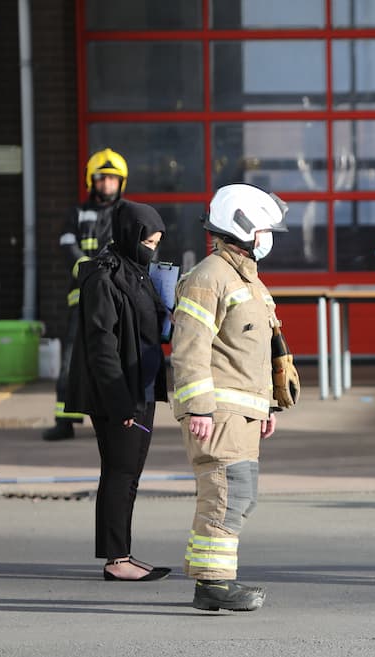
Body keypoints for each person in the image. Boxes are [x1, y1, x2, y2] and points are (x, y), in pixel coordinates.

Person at [170, 183, 299, 612]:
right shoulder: (209, 278)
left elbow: (256, 351)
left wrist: (268, 405)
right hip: (219, 413)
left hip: (241, 412)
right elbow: (190, 348)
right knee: (226, 493)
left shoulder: (248, 280)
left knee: (236, 494)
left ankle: (210, 579)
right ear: (242, 227)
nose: (269, 239)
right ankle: (213, 584)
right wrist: (198, 408)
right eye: (266, 230)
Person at [64, 199, 171, 582]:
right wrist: (118, 399)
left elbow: (149, 325)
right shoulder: (103, 277)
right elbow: (101, 344)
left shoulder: (137, 271)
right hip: (119, 394)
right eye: (148, 241)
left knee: (129, 473)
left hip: (139, 388)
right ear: (130, 236)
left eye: (157, 242)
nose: (152, 248)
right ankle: (116, 559)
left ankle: (122, 553)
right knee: (119, 472)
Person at [43, 148, 129, 441]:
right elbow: (68, 246)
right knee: (71, 360)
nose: (107, 184)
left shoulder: (125, 213)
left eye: (113, 179)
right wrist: (91, 273)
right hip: (81, 299)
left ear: (122, 182)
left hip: (116, 298)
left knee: (114, 357)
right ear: (91, 181)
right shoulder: (77, 214)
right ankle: (64, 420)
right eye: (102, 178)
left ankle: (118, 415)